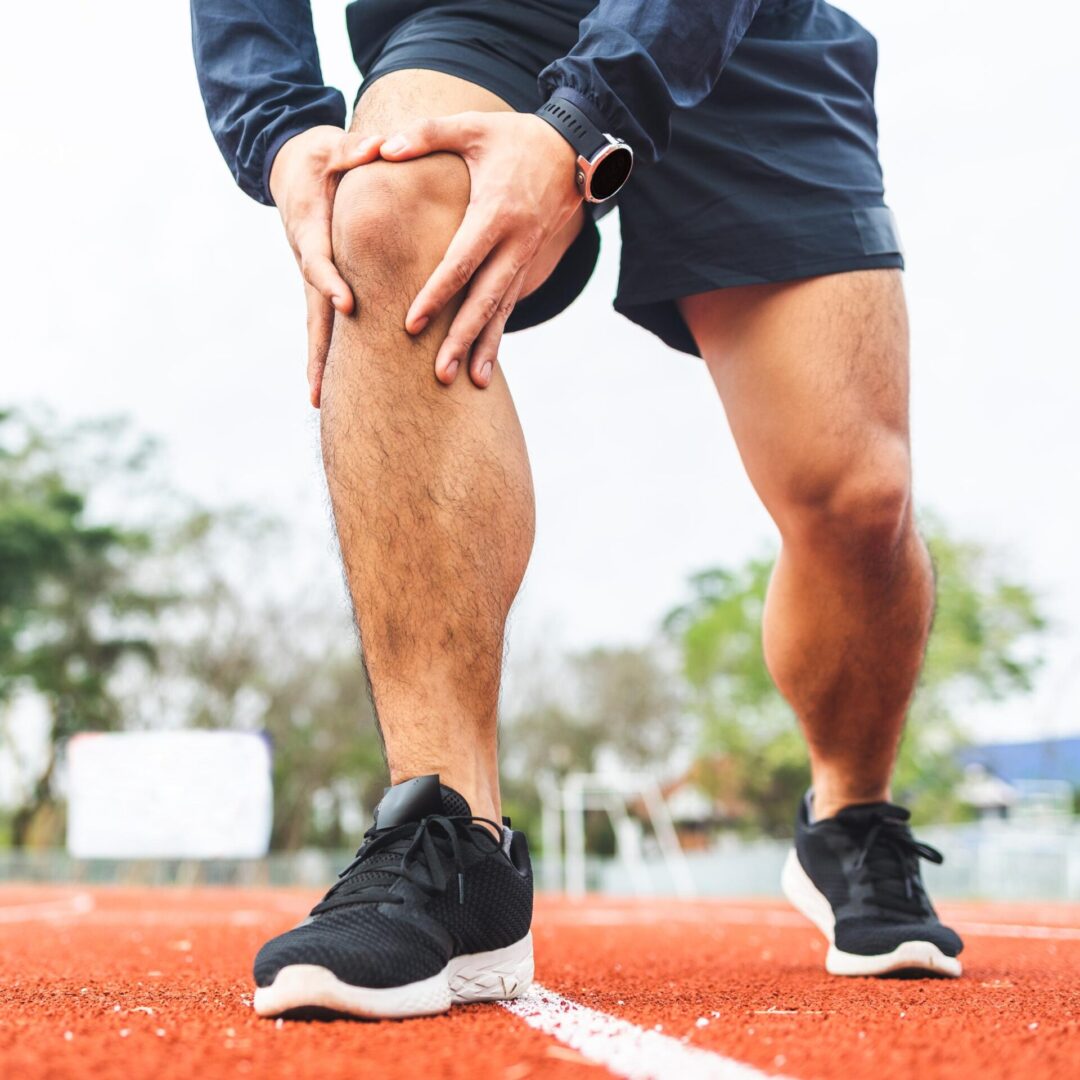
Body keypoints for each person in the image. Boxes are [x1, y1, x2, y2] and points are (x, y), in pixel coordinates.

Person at [190, 0, 963, 1020]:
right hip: (472, 16)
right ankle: (452, 834)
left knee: (857, 495)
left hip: (740, 28)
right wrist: (279, 126)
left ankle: (851, 818)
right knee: (381, 212)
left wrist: (587, 116)